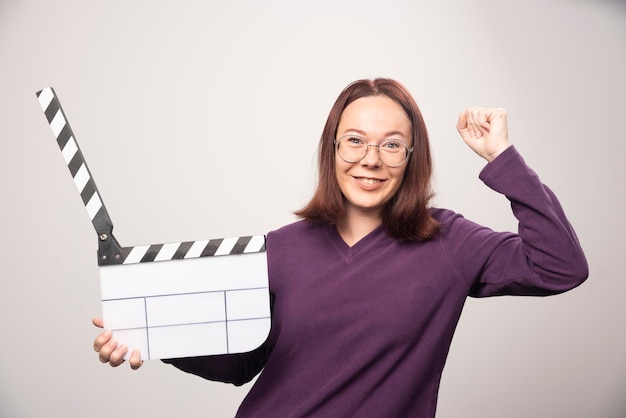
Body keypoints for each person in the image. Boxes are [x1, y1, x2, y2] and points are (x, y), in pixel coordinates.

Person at [93, 78, 588, 417]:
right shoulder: (278, 250)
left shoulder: (449, 242)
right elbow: (240, 365)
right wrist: (154, 335)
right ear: (332, 148)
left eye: (391, 144)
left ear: (411, 158)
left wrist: (501, 157)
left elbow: (560, 265)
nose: (371, 159)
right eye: (355, 140)